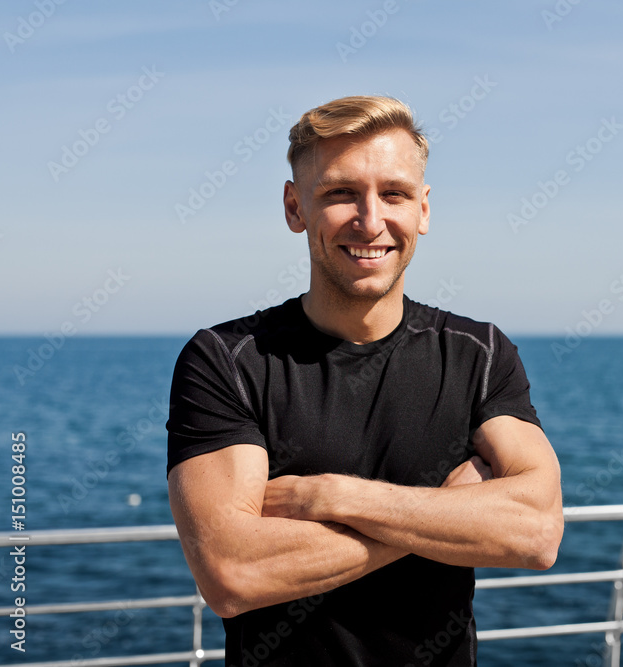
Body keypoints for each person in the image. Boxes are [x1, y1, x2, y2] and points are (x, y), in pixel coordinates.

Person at [165, 95, 564, 667]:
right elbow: (233, 572)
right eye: (340, 193)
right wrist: (450, 512)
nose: (371, 221)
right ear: (294, 206)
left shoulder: (480, 354)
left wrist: (335, 496)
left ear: (423, 210)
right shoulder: (226, 360)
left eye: (394, 194)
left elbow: (536, 531)